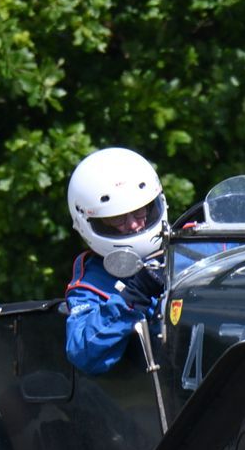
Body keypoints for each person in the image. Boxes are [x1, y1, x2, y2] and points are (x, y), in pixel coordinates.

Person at [64, 147, 169, 375]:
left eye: (140, 211)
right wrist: (133, 296)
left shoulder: (187, 246)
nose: (133, 225)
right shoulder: (90, 285)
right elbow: (81, 349)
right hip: (153, 396)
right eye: (116, 218)